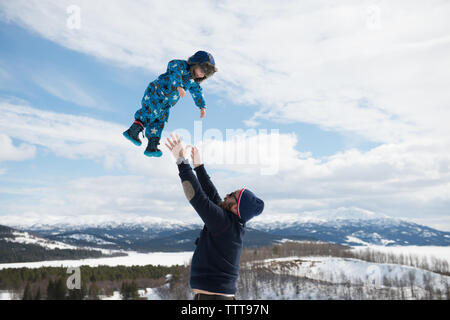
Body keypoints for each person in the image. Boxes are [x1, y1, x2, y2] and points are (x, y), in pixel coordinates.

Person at [165, 134, 264, 300]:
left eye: (232, 195)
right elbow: (212, 194)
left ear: (235, 207)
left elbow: (197, 197)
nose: (227, 194)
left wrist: (182, 162)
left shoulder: (224, 224)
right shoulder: (230, 223)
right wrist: (199, 167)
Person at [123, 51, 217, 157]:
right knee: (150, 112)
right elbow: (173, 69)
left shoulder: (193, 81)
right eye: (202, 70)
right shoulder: (180, 66)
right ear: (194, 64)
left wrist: (202, 107)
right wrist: (179, 85)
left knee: (160, 121)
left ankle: (152, 146)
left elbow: (197, 92)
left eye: (206, 74)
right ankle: (133, 131)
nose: (202, 74)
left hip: (166, 104)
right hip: (156, 93)